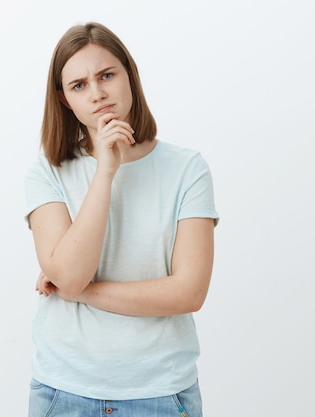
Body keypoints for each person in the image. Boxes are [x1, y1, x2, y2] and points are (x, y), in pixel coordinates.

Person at [23, 22, 219, 417]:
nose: (97, 94)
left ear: (129, 75)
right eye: (79, 85)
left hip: (161, 393)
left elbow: (188, 293)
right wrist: (105, 172)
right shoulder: (49, 170)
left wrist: (77, 293)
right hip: (64, 392)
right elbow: (73, 274)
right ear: (64, 100)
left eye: (106, 75)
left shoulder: (187, 169)